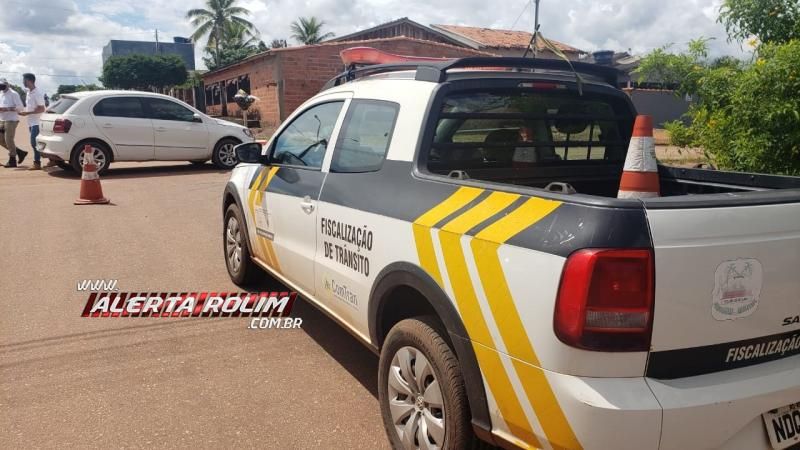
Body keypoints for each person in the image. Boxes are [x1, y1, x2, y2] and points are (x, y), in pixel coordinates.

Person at [19, 73, 47, 170]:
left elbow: (41, 109)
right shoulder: (28, 92)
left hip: (37, 122)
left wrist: (27, 113)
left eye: (24, 80)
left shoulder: (37, 93)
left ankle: (37, 163)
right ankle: (53, 160)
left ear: (29, 81)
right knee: (37, 143)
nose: (23, 82)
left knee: (34, 143)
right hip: (31, 122)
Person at [0, 77, 27, 168]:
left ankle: (12, 161)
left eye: (2, 85)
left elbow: (20, 107)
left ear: (7, 84)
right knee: (1, 140)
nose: (1, 87)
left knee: (8, 140)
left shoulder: (14, 94)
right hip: (2, 119)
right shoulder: (1, 94)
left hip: (12, 120)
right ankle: (20, 152)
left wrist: (7, 109)